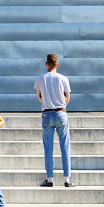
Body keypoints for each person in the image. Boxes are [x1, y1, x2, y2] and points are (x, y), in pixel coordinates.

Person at [35, 53, 73, 188]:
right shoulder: (63, 79)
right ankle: (67, 179)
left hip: (47, 114)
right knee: (65, 147)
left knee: (48, 148)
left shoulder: (40, 79)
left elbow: (39, 97)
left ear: (46, 64)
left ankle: (50, 179)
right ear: (57, 65)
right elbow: (67, 98)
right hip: (61, 113)